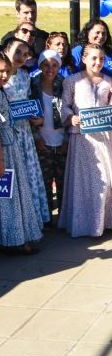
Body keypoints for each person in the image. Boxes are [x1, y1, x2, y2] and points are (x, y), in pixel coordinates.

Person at [59, 44, 112, 237]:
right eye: (93, 58)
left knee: (105, 179)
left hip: (103, 137)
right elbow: (64, 105)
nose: (97, 62)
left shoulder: (109, 82)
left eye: (101, 59)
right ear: (84, 59)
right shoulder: (72, 81)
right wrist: (71, 117)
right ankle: (82, 223)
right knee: (83, 181)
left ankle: (103, 221)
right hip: (82, 137)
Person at [2, 40, 50, 227]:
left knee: (28, 177)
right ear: (6, 51)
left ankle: (31, 223)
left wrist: (35, 118)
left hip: (25, 135)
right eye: (17, 52)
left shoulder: (25, 76)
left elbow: (29, 104)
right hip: (7, 136)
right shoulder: (2, 78)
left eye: (25, 54)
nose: (22, 57)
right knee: (11, 180)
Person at [0, 53, 44, 254]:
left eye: (6, 71)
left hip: (12, 146)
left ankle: (16, 238)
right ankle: (12, 240)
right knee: (7, 196)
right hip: (4, 150)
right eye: (0, 71)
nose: (4, 75)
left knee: (13, 195)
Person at [30, 50, 67, 227]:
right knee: (44, 182)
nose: (49, 69)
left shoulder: (65, 84)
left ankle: (62, 218)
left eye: (54, 65)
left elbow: (70, 112)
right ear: (39, 65)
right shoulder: (33, 84)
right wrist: (37, 138)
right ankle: (45, 219)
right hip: (41, 140)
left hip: (61, 140)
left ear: (59, 66)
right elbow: (27, 113)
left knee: (62, 182)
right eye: (45, 64)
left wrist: (66, 140)